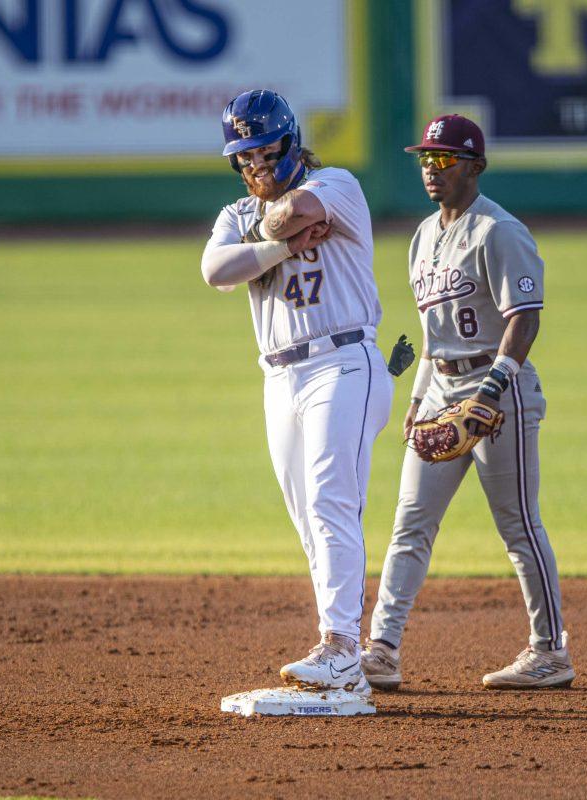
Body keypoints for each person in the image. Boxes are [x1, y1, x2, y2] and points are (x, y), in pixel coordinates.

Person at [361, 115, 574, 690]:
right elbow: (432, 334)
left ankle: (550, 651)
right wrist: (417, 394)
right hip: (441, 388)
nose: (432, 169)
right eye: (426, 158)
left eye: (445, 159)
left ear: (475, 166)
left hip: (499, 393)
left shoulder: (499, 231)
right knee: (410, 522)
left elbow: (523, 321)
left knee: (518, 524)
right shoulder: (423, 235)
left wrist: (492, 388)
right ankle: (381, 649)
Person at [201, 89, 393, 696]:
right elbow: (214, 271)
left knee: (331, 499)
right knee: (307, 516)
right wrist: (281, 246)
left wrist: (270, 232)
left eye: (263, 151)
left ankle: (340, 647)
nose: (254, 166)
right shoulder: (235, 213)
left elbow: (293, 209)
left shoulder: (338, 184)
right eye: (243, 157)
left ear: (289, 142)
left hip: (345, 361)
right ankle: (345, 650)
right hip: (281, 376)